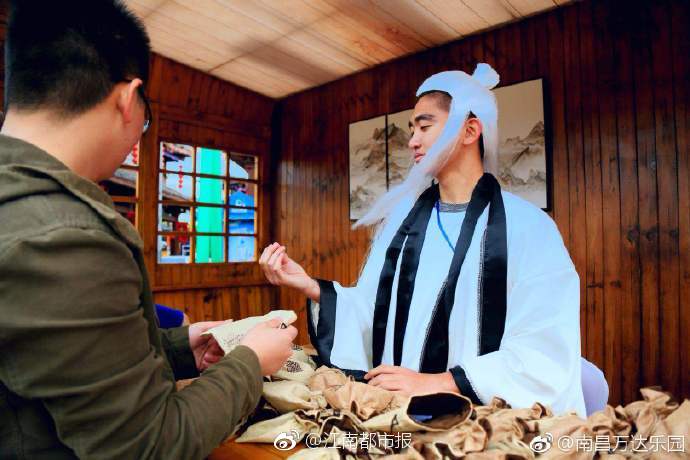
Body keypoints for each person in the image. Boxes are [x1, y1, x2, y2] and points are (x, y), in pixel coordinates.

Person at [0, 1, 297, 458]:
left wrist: (177, 347)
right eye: (146, 116)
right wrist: (251, 361)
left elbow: (50, 364)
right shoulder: (67, 237)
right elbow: (150, 445)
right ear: (127, 98)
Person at [261, 63, 588, 417]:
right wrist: (310, 286)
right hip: (400, 413)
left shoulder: (529, 227)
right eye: (411, 129)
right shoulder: (402, 226)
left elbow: (544, 347)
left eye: (425, 126)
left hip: (480, 420)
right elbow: (375, 313)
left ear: (470, 130)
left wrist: (440, 382)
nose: (413, 141)